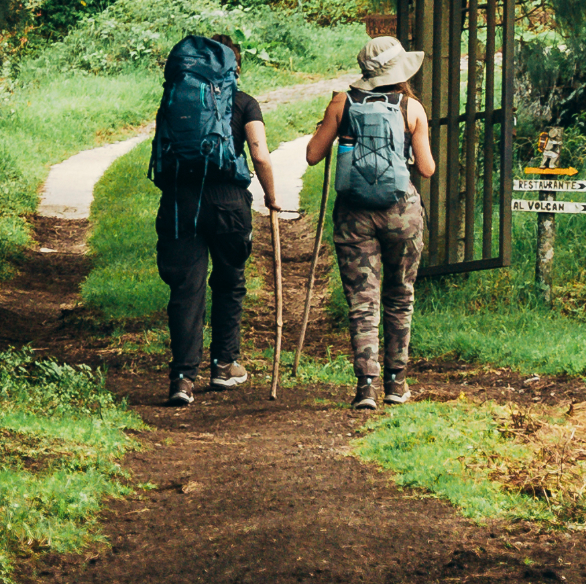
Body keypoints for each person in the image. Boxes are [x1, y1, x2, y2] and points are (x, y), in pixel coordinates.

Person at [304, 34, 434, 411]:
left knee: (363, 300)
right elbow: (426, 168)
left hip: (353, 214)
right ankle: (396, 383)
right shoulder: (412, 107)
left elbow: (313, 154)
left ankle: (366, 387)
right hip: (401, 213)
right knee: (400, 295)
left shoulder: (342, 103)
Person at [152, 29, 280, 407]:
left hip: (180, 202)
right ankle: (224, 366)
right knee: (229, 281)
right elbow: (259, 154)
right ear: (234, 67)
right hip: (228, 203)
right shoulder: (243, 103)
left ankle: (182, 379)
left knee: (186, 289)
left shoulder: (176, 99)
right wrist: (272, 198)